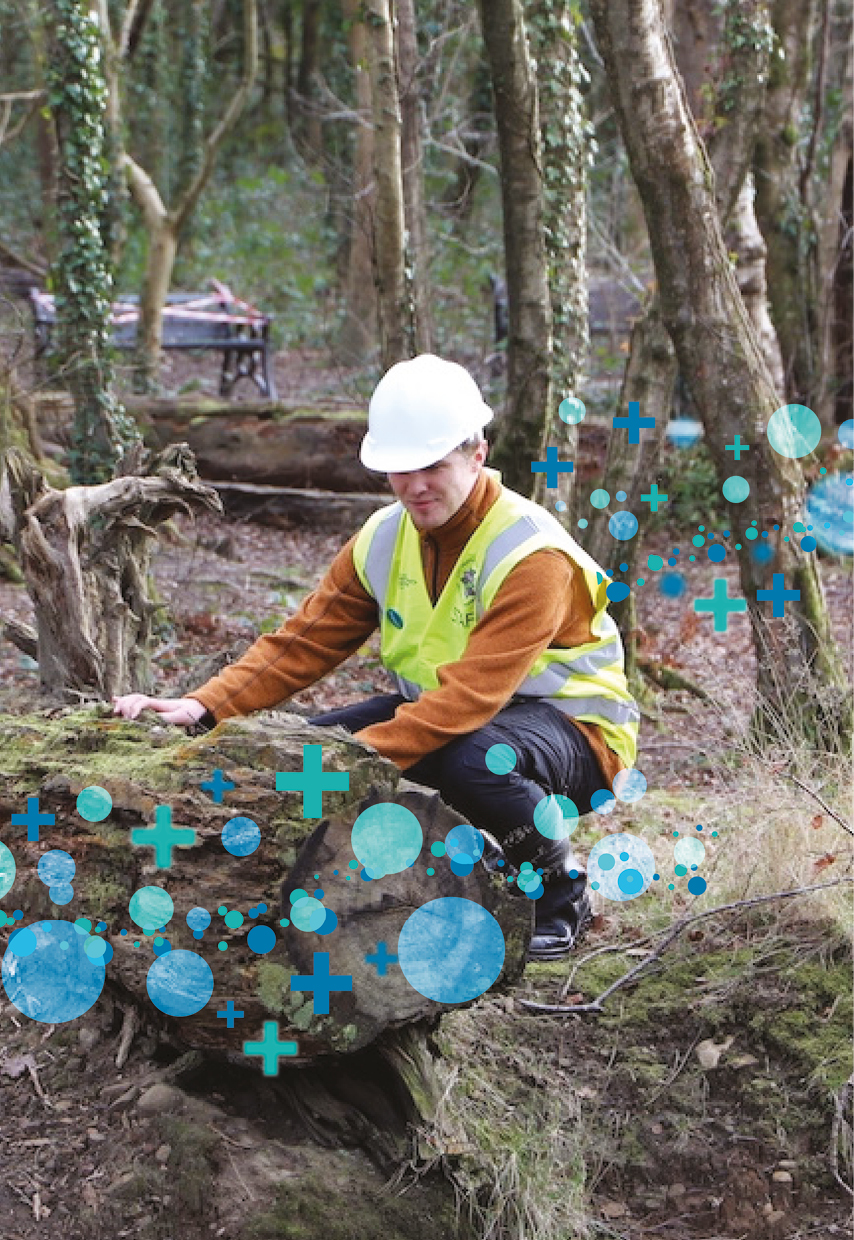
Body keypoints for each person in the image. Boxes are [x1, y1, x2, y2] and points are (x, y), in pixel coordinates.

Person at [113, 354, 639, 959]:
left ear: (478, 454)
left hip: (575, 739)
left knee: (472, 759)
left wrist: (355, 762)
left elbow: (471, 699)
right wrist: (204, 707)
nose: (415, 486)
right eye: (400, 469)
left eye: (433, 466)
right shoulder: (383, 538)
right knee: (303, 753)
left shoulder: (531, 555)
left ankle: (559, 889)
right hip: (449, 721)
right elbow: (302, 642)